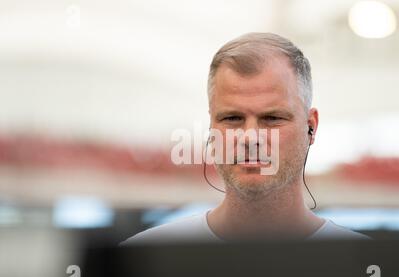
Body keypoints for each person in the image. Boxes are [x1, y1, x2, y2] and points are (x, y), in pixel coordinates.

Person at [122, 32, 369, 245]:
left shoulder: (367, 268)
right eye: (232, 118)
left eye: (272, 118)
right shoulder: (144, 262)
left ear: (310, 127)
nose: (250, 138)